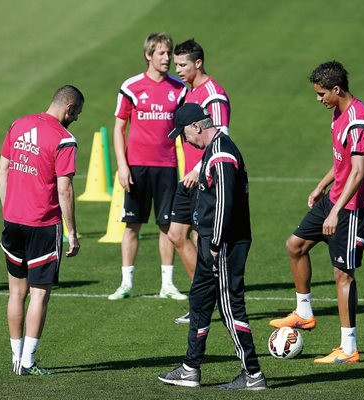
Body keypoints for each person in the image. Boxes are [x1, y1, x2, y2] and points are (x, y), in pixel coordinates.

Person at [269, 61, 364, 364]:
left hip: (353, 207)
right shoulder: (338, 114)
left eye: (321, 94)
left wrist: (335, 212)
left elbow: (358, 173)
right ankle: (304, 313)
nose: (319, 99)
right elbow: (341, 163)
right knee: (295, 246)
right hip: (334, 199)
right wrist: (320, 187)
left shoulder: (357, 120)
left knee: (343, 275)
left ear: (337, 89)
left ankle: (349, 348)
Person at [158, 103, 267, 390]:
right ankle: (190, 368)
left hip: (224, 244)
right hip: (212, 242)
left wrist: (216, 243)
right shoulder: (214, 150)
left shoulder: (220, 154)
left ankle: (253, 373)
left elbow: (224, 203)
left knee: (231, 308)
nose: (184, 141)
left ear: (197, 126)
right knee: (200, 302)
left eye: (183, 135)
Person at [0, 85, 83, 375]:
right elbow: (65, 190)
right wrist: (72, 231)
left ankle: (14, 356)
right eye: (77, 114)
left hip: (13, 222)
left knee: (15, 292)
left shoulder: (17, 125)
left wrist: (8, 210)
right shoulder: (64, 139)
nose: (76, 119)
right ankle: (29, 361)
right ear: (69, 108)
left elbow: (2, 171)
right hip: (43, 226)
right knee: (39, 294)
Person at [108, 32, 187, 301]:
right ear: (148, 55)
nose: (167, 58)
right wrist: (122, 165)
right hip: (137, 166)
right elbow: (119, 128)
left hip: (167, 166)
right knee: (132, 225)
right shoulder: (131, 87)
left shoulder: (179, 89)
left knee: (167, 226)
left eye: (169, 53)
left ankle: (167, 284)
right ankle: (126, 283)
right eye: (162, 53)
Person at [169, 38, 231, 324]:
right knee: (176, 235)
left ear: (198, 62)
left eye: (182, 64)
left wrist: (199, 169)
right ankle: (205, 299)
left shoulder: (213, 96)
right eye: (176, 64)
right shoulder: (187, 92)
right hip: (187, 179)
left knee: (200, 239)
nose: (177, 69)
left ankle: (205, 302)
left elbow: (221, 139)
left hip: (203, 178)